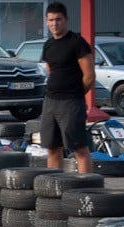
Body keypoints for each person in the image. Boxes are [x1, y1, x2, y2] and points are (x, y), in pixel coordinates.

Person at [39, 1, 95, 174]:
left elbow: (89, 75)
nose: (54, 24)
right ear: (47, 22)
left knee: (79, 149)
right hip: (50, 102)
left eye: (58, 19)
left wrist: (77, 95)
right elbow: (50, 70)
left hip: (71, 102)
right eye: (51, 20)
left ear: (66, 20)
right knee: (53, 148)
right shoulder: (48, 45)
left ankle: (87, 189)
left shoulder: (77, 42)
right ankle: (53, 187)